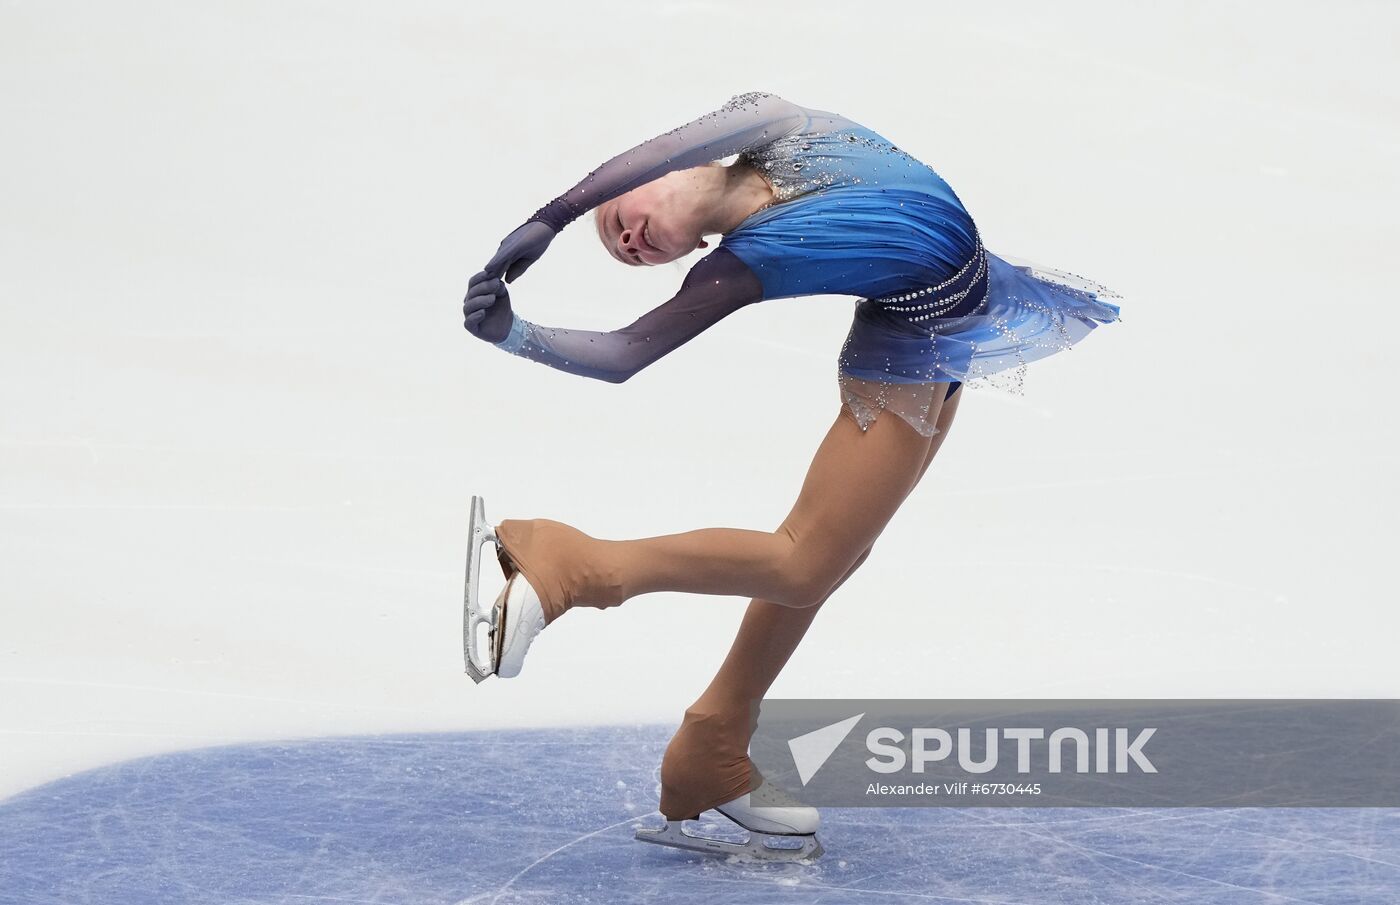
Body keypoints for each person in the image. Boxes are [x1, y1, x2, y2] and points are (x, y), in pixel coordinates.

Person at [462, 91, 1122, 859]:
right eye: (627, 252)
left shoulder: (778, 126)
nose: (630, 239)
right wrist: (514, 332)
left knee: (839, 556)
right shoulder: (746, 260)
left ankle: (713, 741)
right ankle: (572, 564)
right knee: (806, 561)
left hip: (956, 329)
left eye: (619, 221)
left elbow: (640, 156)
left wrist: (554, 215)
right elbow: (625, 354)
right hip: (907, 348)